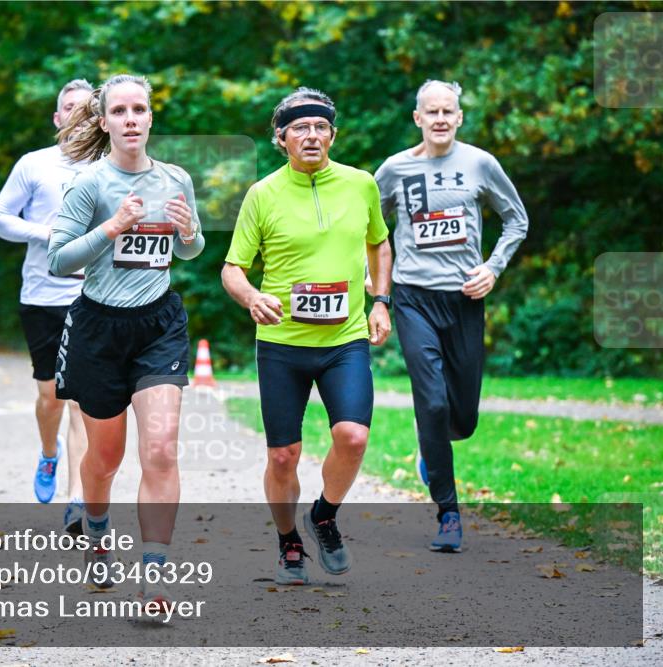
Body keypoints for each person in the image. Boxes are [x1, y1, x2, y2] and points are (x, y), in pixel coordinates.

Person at [221, 87, 392, 585]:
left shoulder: (361, 185)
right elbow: (233, 269)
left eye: (320, 127)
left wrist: (380, 301)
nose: (311, 135)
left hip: (345, 340)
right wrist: (252, 297)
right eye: (300, 128)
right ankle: (287, 539)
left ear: (333, 135)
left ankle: (323, 516)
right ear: (282, 137)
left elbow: (380, 244)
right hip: (282, 344)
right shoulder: (263, 194)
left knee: (353, 436)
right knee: (283, 455)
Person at [48, 74, 204, 610]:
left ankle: (155, 572)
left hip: (158, 325)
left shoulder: (176, 178)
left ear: (151, 117)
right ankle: (95, 532)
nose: (131, 118)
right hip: (99, 328)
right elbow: (59, 259)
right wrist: (112, 227)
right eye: (120, 111)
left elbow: (188, 251)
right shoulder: (89, 184)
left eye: (139, 109)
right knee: (106, 456)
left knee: (160, 449)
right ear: (106, 121)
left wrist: (189, 234)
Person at [374, 80, 528, 553]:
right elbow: (368, 226)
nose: (440, 119)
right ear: (417, 118)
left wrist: (493, 267)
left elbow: (516, 219)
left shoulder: (480, 163)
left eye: (448, 111)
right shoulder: (394, 169)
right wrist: (373, 276)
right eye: (431, 112)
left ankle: (432, 447)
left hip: (464, 299)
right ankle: (448, 513)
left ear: (459, 117)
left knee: (462, 416)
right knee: (433, 403)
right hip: (414, 296)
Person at [0, 80, 93, 528]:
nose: (77, 116)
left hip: (94, 297)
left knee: (81, 401)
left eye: (86, 109)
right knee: (51, 395)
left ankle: (78, 500)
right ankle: (49, 453)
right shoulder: (34, 164)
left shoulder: (112, 167)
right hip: (42, 295)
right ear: (57, 119)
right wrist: (45, 234)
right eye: (68, 108)